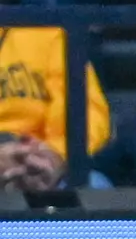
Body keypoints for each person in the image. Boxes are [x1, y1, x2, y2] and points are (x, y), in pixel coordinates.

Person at [0, 22, 111, 193]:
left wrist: (54, 156)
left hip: (37, 164)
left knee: (97, 187)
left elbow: (88, 111)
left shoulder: (45, 33)